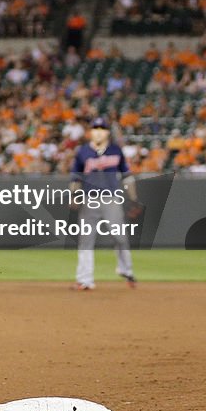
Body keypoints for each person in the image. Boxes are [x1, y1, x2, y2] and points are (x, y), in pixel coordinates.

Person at [70, 117, 138, 291]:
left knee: (120, 237)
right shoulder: (83, 152)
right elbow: (76, 178)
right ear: (90, 131)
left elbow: (127, 176)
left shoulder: (116, 150)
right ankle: (84, 279)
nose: (98, 131)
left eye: (102, 128)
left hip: (111, 199)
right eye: (95, 128)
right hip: (89, 199)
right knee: (86, 240)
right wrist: (74, 195)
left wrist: (133, 198)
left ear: (107, 132)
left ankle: (126, 270)